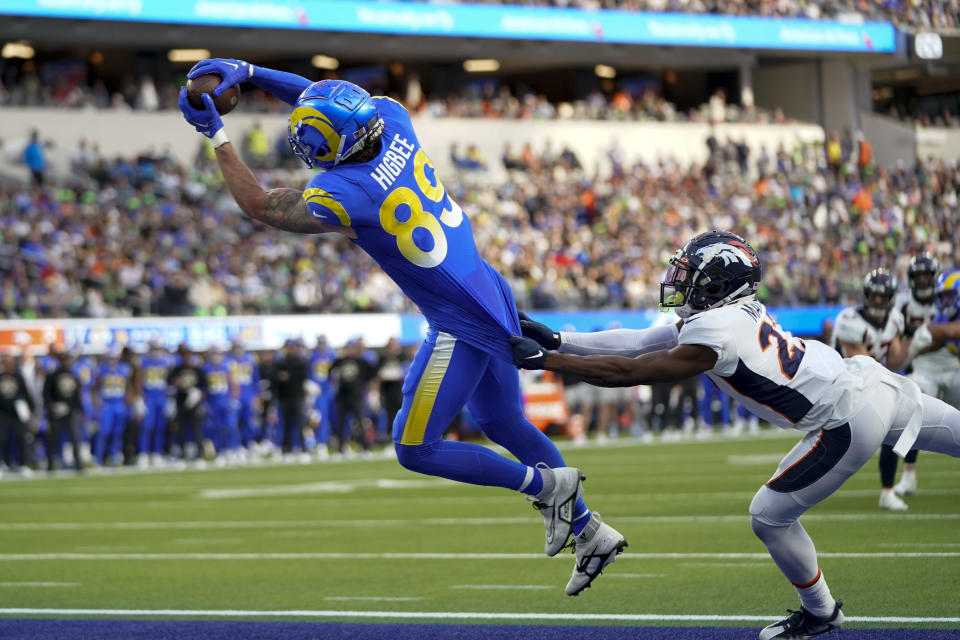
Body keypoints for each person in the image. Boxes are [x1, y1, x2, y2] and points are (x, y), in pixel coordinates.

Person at [178, 59, 624, 593]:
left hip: (459, 318)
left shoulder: (344, 193)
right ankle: (588, 530)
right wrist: (249, 71)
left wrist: (216, 133)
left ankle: (545, 486)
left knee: (415, 448)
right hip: (486, 284)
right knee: (504, 423)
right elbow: (323, 95)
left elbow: (262, 205)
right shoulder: (391, 118)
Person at [509, 230, 960, 639]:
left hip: (847, 417)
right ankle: (819, 612)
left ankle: (820, 611)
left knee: (768, 516)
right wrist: (558, 340)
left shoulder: (716, 330)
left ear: (719, 283)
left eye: (689, 273)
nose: (678, 280)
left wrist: (549, 361)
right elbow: (640, 342)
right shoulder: (732, 315)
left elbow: (631, 370)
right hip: (872, 382)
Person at [833, 269, 911, 511]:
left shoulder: (895, 319)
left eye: (883, 295)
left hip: (869, 381)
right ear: (866, 295)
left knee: (896, 424)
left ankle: (888, 491)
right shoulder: (849, 321)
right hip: (839, 385)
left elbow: (896, 361)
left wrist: (914, 340)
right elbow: (864, 365)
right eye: (873, 295)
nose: (878, 300)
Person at [890, 255, 945, 497]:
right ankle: (909, 474)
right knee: (915, 412)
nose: (922, 282)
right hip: (923, 363)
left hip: (953, 359)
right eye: (918, 277)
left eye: (926, 277)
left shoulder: (947, 296)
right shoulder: (902, 303)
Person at [330, 340, 377, 456]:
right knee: (341, 423)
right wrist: (335, 384)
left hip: (357, 396)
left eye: (353, 348)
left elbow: (373, 374)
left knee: (360, 422)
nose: (351, 350)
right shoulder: (339, 361)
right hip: (342, 396)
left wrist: (367, 387)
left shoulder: (361, 361)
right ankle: (341, 448)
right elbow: (330, 373)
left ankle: (364, 447)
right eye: (349, 348)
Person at [42, 349, 83, 472]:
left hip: (70, 412)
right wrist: (52, 406)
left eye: (67, 359)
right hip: (56, 413)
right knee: (53, 438)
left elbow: (77, 395)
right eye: (63, 359)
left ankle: (78, 464)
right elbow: (46, 394)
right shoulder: (52, 376)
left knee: (75, 438)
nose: (65, 362)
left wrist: (79, 409)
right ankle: (50, 464)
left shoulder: (73, 375)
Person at [140, 340, 174, 467]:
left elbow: (170, 381)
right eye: (154, 348)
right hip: (148, 399)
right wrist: (140, 398)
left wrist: (170, 398)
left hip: (162, 398)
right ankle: (143, 454)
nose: (156, 351)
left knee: (160, 427)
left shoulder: (166, 362)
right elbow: (139, 381)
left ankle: (156, 453)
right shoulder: (143, 362)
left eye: (158, 348)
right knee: (147, 427)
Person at [0, 353, 36, 473]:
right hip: (3, 413)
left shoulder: (19, 377)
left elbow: (26, 393)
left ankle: (23, 464)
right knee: (2, 438)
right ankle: (3, 463)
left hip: (17, 414)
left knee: (21, 438)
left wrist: (31, 409)